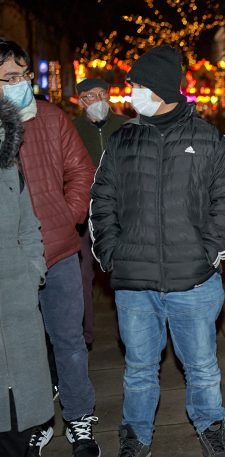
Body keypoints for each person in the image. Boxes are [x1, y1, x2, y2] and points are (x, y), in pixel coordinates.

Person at [89, 44, 225, 457]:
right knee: (139, 370)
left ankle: (211, 428)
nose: (131, 91)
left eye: (137, 84)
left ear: (159, 89)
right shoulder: (122, 141)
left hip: (192, 281)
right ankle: (136, 437)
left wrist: (207, 254)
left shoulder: (208, 139)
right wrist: (111, 255)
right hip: (134, 283)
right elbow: (101, 200)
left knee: (202, 368)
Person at [0, 39, 100, 457]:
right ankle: (35, 422)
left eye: (23, 76)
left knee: (69, 341)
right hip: (11, 262)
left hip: (58, 252)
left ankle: (80, 419)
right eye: (9, 78)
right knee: (22, 350)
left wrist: (66, 216)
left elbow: (82, 172)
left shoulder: (52, 118)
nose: (20, 84)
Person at [0, 97, 54, 457]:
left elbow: (30, 227)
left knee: (20, 405)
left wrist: (33, 270)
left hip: (16, 295)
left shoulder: (9, 169)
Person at [73, 77, 129, 346]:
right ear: (80, 101)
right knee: (83, 274)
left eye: (101, 94)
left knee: (123, 272)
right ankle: (85, 336)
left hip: (121, 212)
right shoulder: (71, 130)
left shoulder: (126, 126)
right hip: (85, 213)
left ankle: (129, 333)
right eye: (89, 96)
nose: (97, 100)